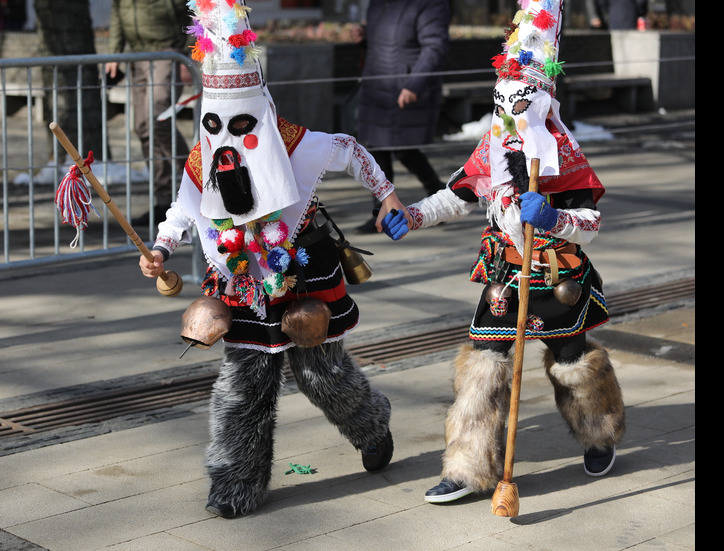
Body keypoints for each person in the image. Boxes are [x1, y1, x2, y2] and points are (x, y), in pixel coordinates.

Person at [138, 0, 411, 519]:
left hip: (302, 269)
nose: (227, 142)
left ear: (261, 111)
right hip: (239, 278)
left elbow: (352, 149)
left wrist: (388, 195)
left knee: (321, 375)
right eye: (216, 125)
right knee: (244, 385)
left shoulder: (296, 145)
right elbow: (183, 206)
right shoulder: (203, 156)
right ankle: (233, 484)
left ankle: (371, 425)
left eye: (241, 125)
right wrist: (161, 248)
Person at [391, 0, 625, 504]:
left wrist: (555, 218)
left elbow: (591, 224)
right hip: (503, 274)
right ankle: (467, 468)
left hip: (556, 277)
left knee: (571, 359)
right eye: (501, 105)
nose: (508, 117)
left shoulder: (564, 156)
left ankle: (599, 434)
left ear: (539, 104)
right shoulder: (492, 146)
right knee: (484, 363)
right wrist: (414, 215)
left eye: (518, 105)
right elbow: (458, 193)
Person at [352, 0, 451, 233]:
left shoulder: (430, 4)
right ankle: (383, 210)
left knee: (404, 148)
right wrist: (364, 37)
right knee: (376, 148)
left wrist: (414, 84)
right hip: (377, 85)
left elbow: (434, 47)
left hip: (405, 86)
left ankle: (438, 196)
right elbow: (387, 41)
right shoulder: (378, 4)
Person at [105, 0, 193, 226]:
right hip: (136, 56)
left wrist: (188, 54)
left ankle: (197, 177)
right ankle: (164, 201)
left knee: (158, 120)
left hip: (167, 54)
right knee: (144, 127)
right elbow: (118, 13)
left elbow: (195, 9)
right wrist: (114, 53)